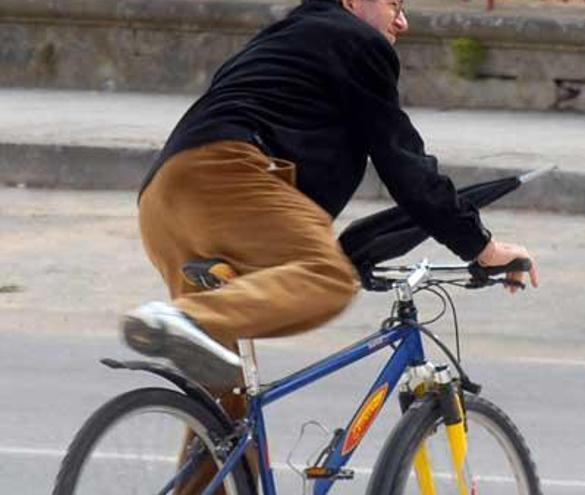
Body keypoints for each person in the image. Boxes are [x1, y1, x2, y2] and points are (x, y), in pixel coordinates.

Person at [124, 0, 538, 462]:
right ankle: (184, 322)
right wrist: (482, 247)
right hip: (231, 178)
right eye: (394, 4)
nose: (403, 21)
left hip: (164, 199)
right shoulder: (356, 41)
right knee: (328, 278)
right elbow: (404, 163)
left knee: (226, 415)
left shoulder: (286, 37)